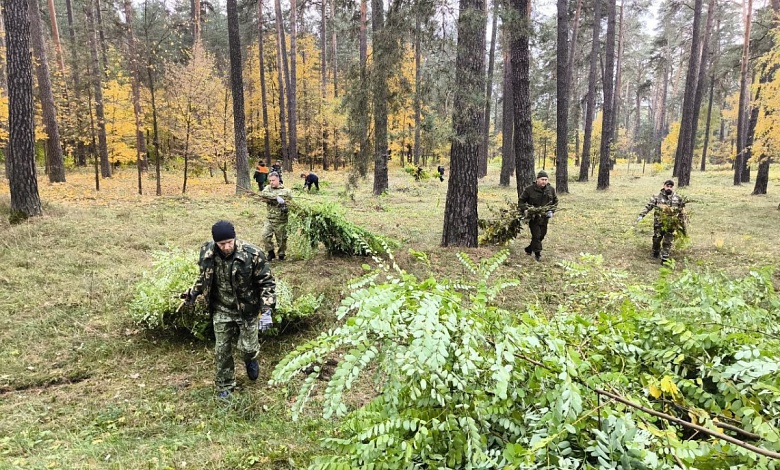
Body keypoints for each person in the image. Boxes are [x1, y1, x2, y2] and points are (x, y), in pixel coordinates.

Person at [181, 221, 276, 398]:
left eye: (229, 242)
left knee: (247, 348)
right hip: (221, 308)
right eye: (222, 244)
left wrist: (267, 310)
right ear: (215, 242)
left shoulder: (252, 254)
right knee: (222, 351)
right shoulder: (207, 252)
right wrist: (193, 293)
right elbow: (204, 277)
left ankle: (250, 358)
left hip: (246, 309)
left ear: (235, 238)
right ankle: (225, 385)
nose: (226, 247)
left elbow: (266, 283)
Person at [636, 179, 685, 264]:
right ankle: (656, 250)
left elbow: (681, 210)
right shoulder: (657, 196)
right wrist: (641, 215)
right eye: (667, 186)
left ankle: (665, 256)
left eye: (671, 186)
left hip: (671, 223)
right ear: (664, 186)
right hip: (658, 223)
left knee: (668, 240)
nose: (669, 188)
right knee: (657, 238)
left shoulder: (677, 198)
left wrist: (682, 220)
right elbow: (649, 206)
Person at [518, 170, 558, 262]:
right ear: (537, 180)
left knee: (542, 235)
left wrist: (551, 211)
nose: (544, 181)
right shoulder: (529, 189)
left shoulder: (551, 190)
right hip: (533, 217)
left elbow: (555, 201)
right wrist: (526, 209)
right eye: (542, 179)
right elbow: (521, 201)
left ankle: (529, 249)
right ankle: (538, 254)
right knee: (536, 235)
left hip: (544, 217)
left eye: (545, 179)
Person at [260, 172, 292, 261]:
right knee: (265, 235)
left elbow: (291, 203)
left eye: (273, 180)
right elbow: (263, 193)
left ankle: (281, 254)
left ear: (278, 180)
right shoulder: (268, 188)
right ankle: (270, 253)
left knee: (281, 239)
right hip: (269, 219)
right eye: (270, 180)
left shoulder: (287, 191)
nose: (271, 182)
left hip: (281, 220)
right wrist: (277, 197)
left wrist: (285, 207)